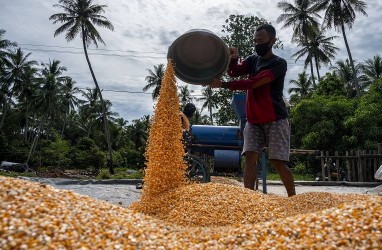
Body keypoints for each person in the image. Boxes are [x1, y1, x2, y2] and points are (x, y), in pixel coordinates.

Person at [210, 24, 296, 196]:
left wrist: (224, 85)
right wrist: (233, 58)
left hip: (275, 119)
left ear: (272, 41)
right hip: (253, 119)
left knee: (277, 161)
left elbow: (254, 83)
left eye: (261, 41)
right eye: (255, 41)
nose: (257, 44)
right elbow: (234, 72)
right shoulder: (253, 60)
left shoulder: (279, 63)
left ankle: (293, 198)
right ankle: (248, 198)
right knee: (250, 157)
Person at [136, 103, 196, 189]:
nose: (192, 114)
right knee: (161, 165)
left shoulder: (184, 117)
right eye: (192, 112)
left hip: (177, 144)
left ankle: (166, 182)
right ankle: (148, 183)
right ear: (189, 111)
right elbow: (175, 129)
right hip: (171, 144)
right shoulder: (180, 116)